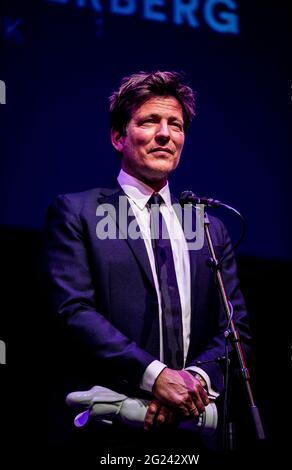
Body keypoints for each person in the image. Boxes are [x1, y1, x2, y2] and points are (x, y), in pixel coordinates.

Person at [45, 71, 251, 450]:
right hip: (108, 429)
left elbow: (234, 328)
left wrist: (194, 382)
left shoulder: (208, 227)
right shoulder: (78, 212)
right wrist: (155, 377)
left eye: (175, 124)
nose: (165, 134)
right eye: (149, 121)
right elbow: (74, 311)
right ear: (118, 136)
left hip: (191, 430)